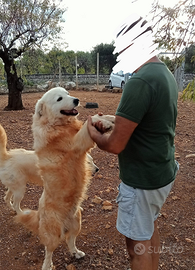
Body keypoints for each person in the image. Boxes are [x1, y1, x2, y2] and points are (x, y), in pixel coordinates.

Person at [87, 14, 179, 270]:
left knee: (136, 249)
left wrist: (91, 132)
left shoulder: (140, 81)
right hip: (161, 172)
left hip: (142, 181)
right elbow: (146, 122)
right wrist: (111, 118)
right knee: (149, 230)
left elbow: (115, 145)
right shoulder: (164, 74)